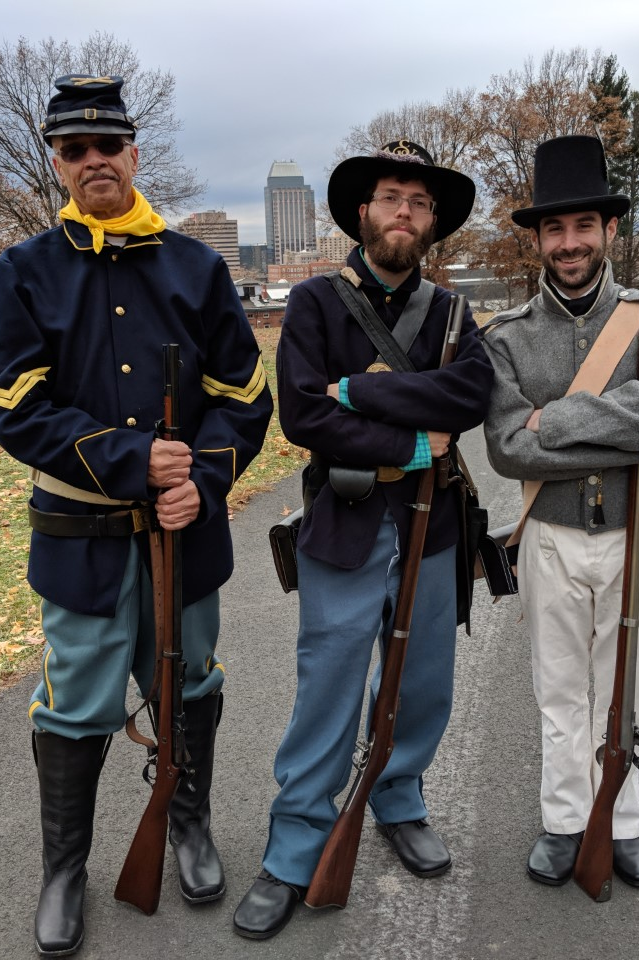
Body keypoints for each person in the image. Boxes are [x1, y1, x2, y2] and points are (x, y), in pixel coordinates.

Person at [0, 75, 273, 957]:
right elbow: (11, 403)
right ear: (60, 165)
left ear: (134, 156)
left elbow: (244, 397)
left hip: (188, 532)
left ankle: (188, 825)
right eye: (75, 150)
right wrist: (130, 459)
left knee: (192, 682)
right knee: (73, 708)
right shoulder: (24, 272)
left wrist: (205, 479)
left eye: (108, 146)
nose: (93, 160)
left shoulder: (198, 266)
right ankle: (64, 870)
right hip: (84, 542)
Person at [232, 140, 493, 940]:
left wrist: (362, 391)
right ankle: (294, 844)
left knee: (421, 686)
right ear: (361, 214)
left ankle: (400, 797)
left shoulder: (451, 314)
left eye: (418, 203)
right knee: (329, 690)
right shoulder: (313, 304)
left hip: (433, 527)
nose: (404, 213)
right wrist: (412, 443)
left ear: (433, 222)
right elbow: (304, 414)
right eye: (390, 198)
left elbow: (472, 391)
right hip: (344, 524)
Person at [481, 135, 639, 891]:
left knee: (631, 689)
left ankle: (624, 820)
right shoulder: (508, 337)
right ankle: (566, 820)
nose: (568, 243)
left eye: (583, 227)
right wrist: (617, 430)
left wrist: (557, 420)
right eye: (554, 229)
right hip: (551, 537)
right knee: (560, 690)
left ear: (610, 231)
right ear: (539, 239)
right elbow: (509, 449)